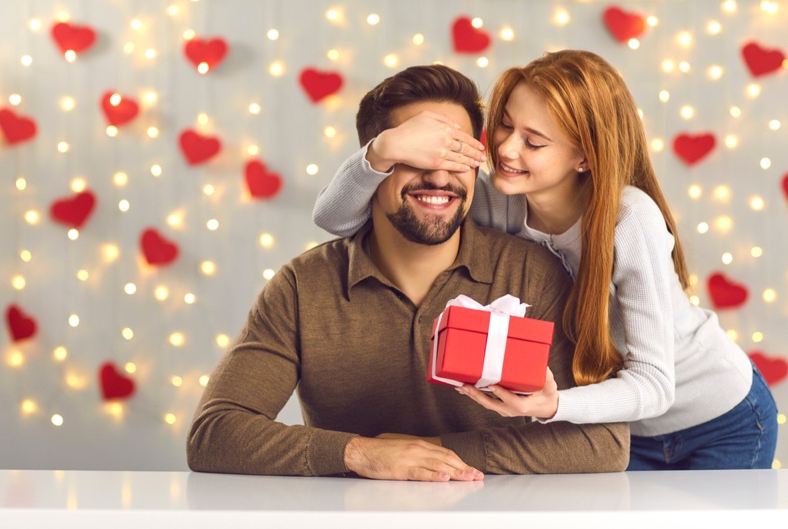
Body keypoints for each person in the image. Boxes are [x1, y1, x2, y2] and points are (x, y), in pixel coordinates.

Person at [312, 50, 778, 471]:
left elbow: (656, 386)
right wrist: (381, 151)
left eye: (534, 142)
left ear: (584, 158)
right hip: (623, 431)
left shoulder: (628, 220)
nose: (507, 150)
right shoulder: (501, 201)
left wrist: (553, 407)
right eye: (505, 126)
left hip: (720, 419)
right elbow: (338, 220)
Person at [187, 64, 630, 481]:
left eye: (456, 154)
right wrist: (362, 454)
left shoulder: (533, 273)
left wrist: (429, 454)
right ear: (374, 166)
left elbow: (605, 442)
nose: (440, 176)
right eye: (417, 154)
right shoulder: (304, 287)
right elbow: (214, 434)